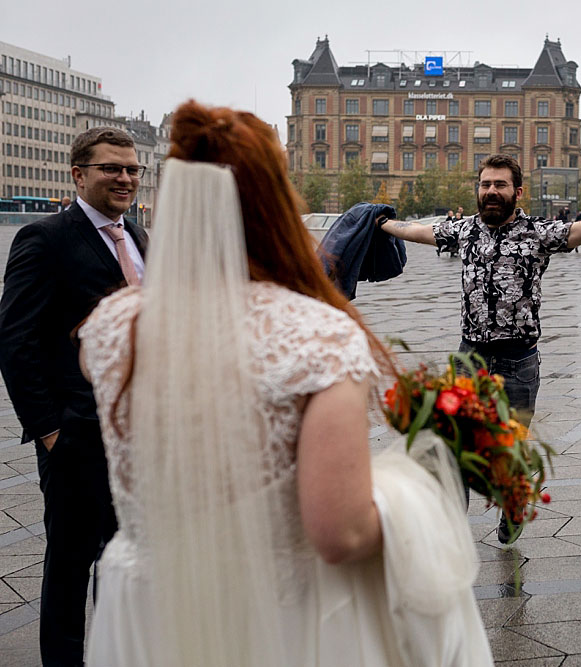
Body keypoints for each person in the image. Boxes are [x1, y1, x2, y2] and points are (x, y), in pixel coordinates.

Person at [78, 101, 492, 666]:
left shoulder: (109, 326)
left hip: (147, 602)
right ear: (276, 201)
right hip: (277, 612)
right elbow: (341, 534)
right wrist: (423, 496)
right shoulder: (318, 335)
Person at [378, 154, 581, 541]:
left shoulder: (537, 234)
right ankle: (451, 532)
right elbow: (416, 230)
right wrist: (378, 221)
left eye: (500, 185)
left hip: (517, 363)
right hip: (469, 359)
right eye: (485, 185)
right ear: (477, 190)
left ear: (517, 192)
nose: (491, 192)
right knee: (452, 449)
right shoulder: (463, 231)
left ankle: (513, 500)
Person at [0, 127, 147, 666]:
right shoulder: (45, 238)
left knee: (123, 558)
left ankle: (113, 655)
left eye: (132, 169)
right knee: (68, 564)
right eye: (112, 168)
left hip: (137, 434)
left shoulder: (141, 239)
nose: (125, 178)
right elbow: (15, 340)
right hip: (75, 432)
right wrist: (50, 431)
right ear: (78, 174)